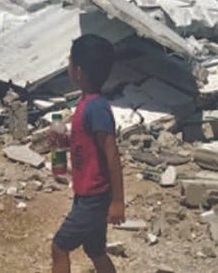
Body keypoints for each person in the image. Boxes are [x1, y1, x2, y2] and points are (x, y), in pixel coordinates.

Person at [51, 35, 125, 273]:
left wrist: (118, 202)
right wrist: (62, 142)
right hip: (87, 194)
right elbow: (87, 147)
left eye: (71, 62)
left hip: (94, 197)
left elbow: (112, 155)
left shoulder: (96, 108)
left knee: (60, 246)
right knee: (95, 250)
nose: (69, 67)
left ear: (79, 71)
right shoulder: (88, 104)